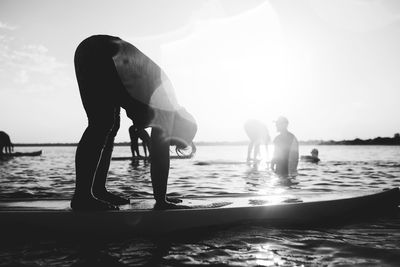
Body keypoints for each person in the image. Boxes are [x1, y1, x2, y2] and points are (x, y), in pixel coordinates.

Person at [71, 35, 197, 211]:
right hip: (100, 53)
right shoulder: (168, 106)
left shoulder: (166, 104)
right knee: (102, 123)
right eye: (173, 140)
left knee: (109, 126)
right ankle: (82, 197)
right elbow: (160, 157)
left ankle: (97, 190)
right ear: (179, 128)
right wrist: (161, 201)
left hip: (96, 52)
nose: (167, 141)